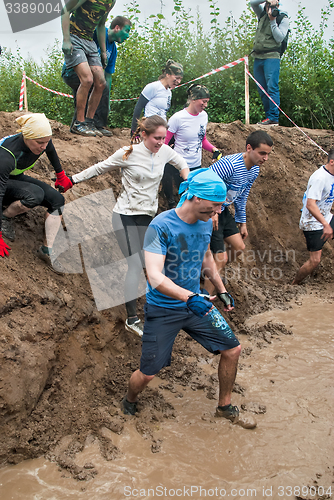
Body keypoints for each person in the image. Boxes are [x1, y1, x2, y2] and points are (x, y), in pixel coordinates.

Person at [121, 168, 256, 429]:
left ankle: (225, 407)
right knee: (148, 373)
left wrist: (221, 287)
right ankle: (129, 399)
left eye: (220, 207)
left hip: (196, 305)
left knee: (232, 349)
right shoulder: (161, 226)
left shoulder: (206, 221)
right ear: (195, 198)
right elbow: (154, 276)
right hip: (164, 308)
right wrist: (190, 296)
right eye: (214, 206)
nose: (217, 213)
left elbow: (205, 256)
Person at [70, 115, 189, 336]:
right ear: (144, 134)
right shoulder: (128, 153)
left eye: (163, 138)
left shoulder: (164, 151)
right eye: (156, 138)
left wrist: (188, 186)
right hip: (124, 215)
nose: (161, 143)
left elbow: (181, 164)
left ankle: (164, 308)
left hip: (148, 217)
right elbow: (99, 168)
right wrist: (72, 180)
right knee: (135, 265)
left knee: (154, 264)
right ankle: (132, 319)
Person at [204, 130, 273, 295]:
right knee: (221, 259)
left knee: (239, 247)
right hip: (208, 209)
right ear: (249, 148)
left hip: (224, 209)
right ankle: (204, 300)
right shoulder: (230, 165)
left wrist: (242, 222)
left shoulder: (254, 169)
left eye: (268, 154)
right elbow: (204, 184)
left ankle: (211, 274)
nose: (265, 158)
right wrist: (211, 212)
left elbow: (242, 196)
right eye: (262, 153)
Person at [0, 113, 72, 271]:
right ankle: (4, 217)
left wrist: (61, 175)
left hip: (14, 177)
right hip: (1, 182)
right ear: (26, 136)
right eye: (40, 143)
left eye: (47, 141)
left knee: (57, 200)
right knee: (35, 195)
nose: (44, 146)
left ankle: (46, 250)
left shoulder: (41, 140)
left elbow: (51, 152)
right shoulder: (6, 155)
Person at [62, 16, 132, 137]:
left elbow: (108, 76)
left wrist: (106, 102)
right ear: (117, 28)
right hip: (72, 71)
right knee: (90, 82)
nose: (128, 35)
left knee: (102, 84)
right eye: (127, 31)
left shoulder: (113, 50)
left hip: (91, 76)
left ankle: (95, 125)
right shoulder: (98, 32)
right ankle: (80, 124)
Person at [61, 0, 116, 136]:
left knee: (101, 83)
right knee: (87, 79)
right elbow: (65, 10)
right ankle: (78, 123)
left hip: (89, 41)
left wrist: (103, 51)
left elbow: (101, 24)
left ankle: (89, 122)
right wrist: (66, 39)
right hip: (74, 37)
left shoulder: (111, 1)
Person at [162, 84, 222, 209]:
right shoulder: (177, 118)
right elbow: (164, 142)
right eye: (203, 101)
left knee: (193, 202)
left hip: (195, 165)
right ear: (193, 99)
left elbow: (202, 140)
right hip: (178, 165)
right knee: (182, 203)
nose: (206, 105)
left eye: (207, 102)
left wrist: (213, 149)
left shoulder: (203, 116)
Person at [292, 149, 334, 285]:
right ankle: (294, 284)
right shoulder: (319, 178)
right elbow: (310, 204)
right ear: (332, 162)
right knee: (315, 260)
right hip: (313, 222)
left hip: (326, 216)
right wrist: (325, 224)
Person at [250, 0, 289, 126]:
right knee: (262, 89)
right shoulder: (261, 14)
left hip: (272, 56)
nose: (271, 8)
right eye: (269, 6)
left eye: (273, 6)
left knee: (272, 87)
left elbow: (279, 38)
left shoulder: (282, 18)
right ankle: (268, 117)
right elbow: (253, 3)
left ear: (278, 5)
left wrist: (273, 20)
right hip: (258, 56)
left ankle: (273, 118)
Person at [130, 59, 184, 138]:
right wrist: (134, 131)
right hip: (151, 128)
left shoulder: (169, 92)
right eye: (177, 78)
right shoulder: (153, 87)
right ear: (168, 74)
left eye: (180, 79)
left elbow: (163, 113)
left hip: (162, 129)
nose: (179, 81)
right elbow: (138, 108)